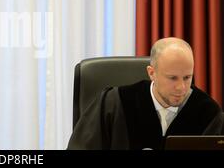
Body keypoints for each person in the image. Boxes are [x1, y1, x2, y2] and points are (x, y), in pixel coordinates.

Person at [67, 37, 223, 150]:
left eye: (187, 77)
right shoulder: (116, 103)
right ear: (152, 73)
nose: (181, 87)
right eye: (172, 78)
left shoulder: (209, 114)